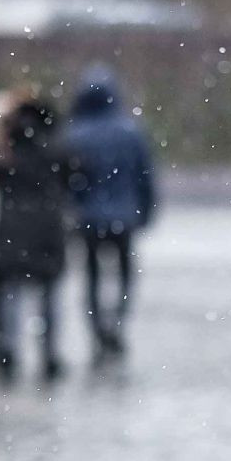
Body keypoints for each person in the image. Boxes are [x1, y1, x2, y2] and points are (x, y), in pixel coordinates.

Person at [63, 66, 156, 358]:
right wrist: (146, 211)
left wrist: (73, 209)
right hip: (123, 217)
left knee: (91, 276)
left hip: (88, 218)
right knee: (125, 275)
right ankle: (117, 322)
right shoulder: (130, 131)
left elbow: (68, 180)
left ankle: (97, 330)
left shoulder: (74, 133)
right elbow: (145, 176)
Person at [0, 97, 69, 383]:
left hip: (13, 228)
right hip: (48, 228)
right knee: (49, 295)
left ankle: (9, 349)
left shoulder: (9, 150)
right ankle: (49, 353)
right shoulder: (57, 148)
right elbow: (72, 177)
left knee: (11, 291)